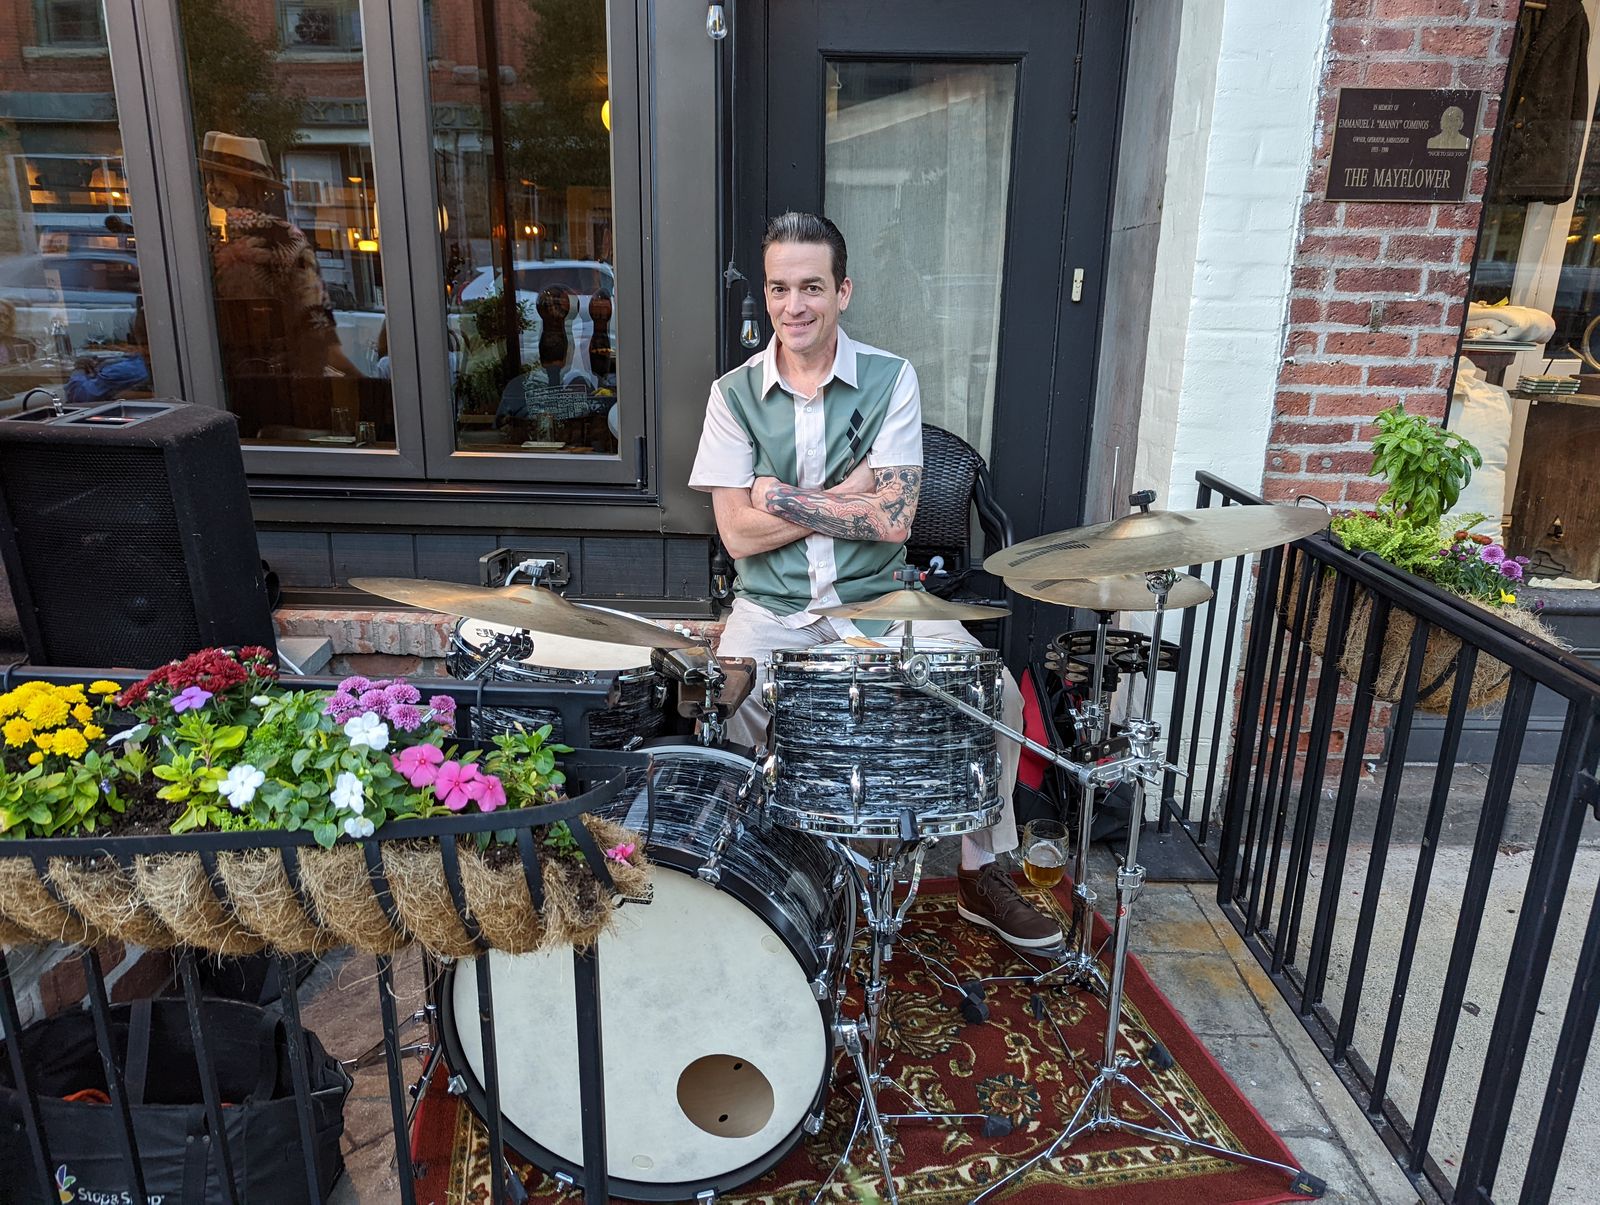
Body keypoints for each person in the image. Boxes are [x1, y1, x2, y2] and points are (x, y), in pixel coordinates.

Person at [690, 211, 1061, 950]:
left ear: (843, 291)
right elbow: (737, 536)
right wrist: (846, 494)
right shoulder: (731, 395)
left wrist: (775, 495)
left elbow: (892, 520)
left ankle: (980, 872)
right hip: (771, 607)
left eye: (811, 287)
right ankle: (763, 879)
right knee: (723, 705)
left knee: (994, 696)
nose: (794, 305)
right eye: (779, 288)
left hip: (879, 603)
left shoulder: (891, 378)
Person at [200, 130, 363, 380]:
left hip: (216, 376)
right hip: (276, 382)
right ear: (260, 188)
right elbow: (320, 340)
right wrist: (365, 384)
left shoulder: (199, 239)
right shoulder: (286, 239)